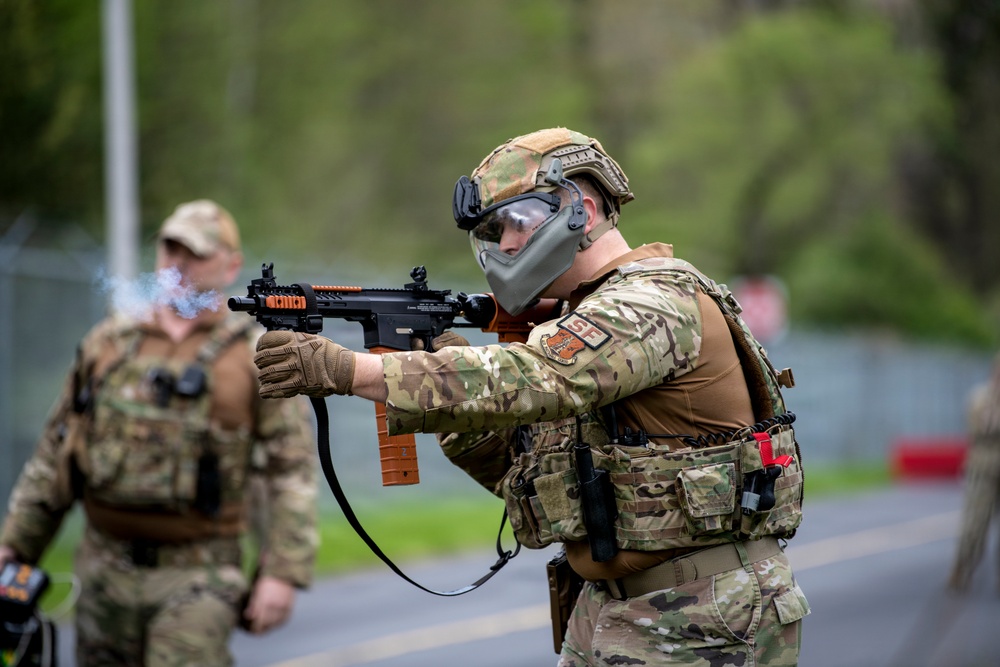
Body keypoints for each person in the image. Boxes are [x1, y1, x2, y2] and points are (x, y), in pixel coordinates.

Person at [253, 128, 810, 665]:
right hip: (615, 607)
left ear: (581, 211)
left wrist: (351, 369)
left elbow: (541, 377)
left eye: (516, 222)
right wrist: (450, 398)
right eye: (492, 233)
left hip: (701, 610)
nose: (507, 244)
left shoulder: (653, 299)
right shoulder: (579, 320)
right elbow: (524, 473)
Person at [0, 200, 319, 667]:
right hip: (104, 569)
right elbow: (56, 453)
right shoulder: (109, 343)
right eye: (170, 247)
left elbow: (289, 468)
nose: (178, 261)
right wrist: (15, 545)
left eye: (195, 251)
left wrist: (283, 572)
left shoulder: (256, 355)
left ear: (231, 265)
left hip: (199, 573)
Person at [948, 353, 1000, 592]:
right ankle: (962, 567)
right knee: (974, 525)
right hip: (983, 467)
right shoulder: (980, 397)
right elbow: (981, 428)